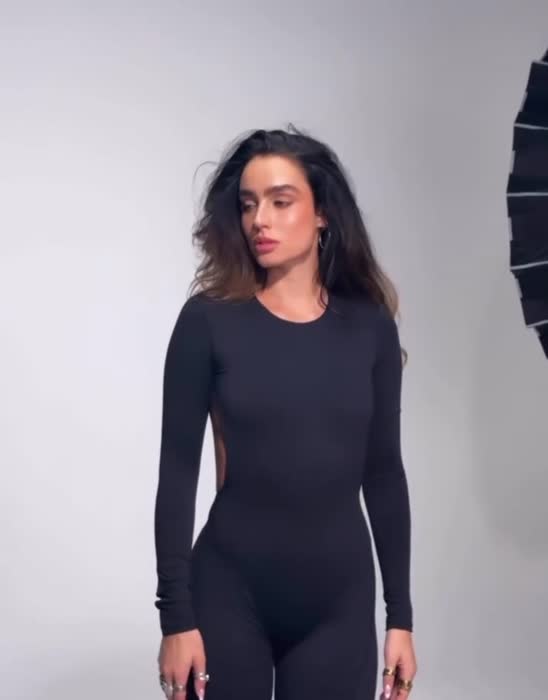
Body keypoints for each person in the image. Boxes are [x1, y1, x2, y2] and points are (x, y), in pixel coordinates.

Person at [154, 126, 418, 700]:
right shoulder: (208, 321)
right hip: (227, 596)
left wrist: (401, 617)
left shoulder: (370, 326)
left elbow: (383, 472)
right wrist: (175, 618)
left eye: (280, 201)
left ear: (322, 213)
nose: (260, 220)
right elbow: (177, 473)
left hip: (338, 606)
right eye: (249, 204)